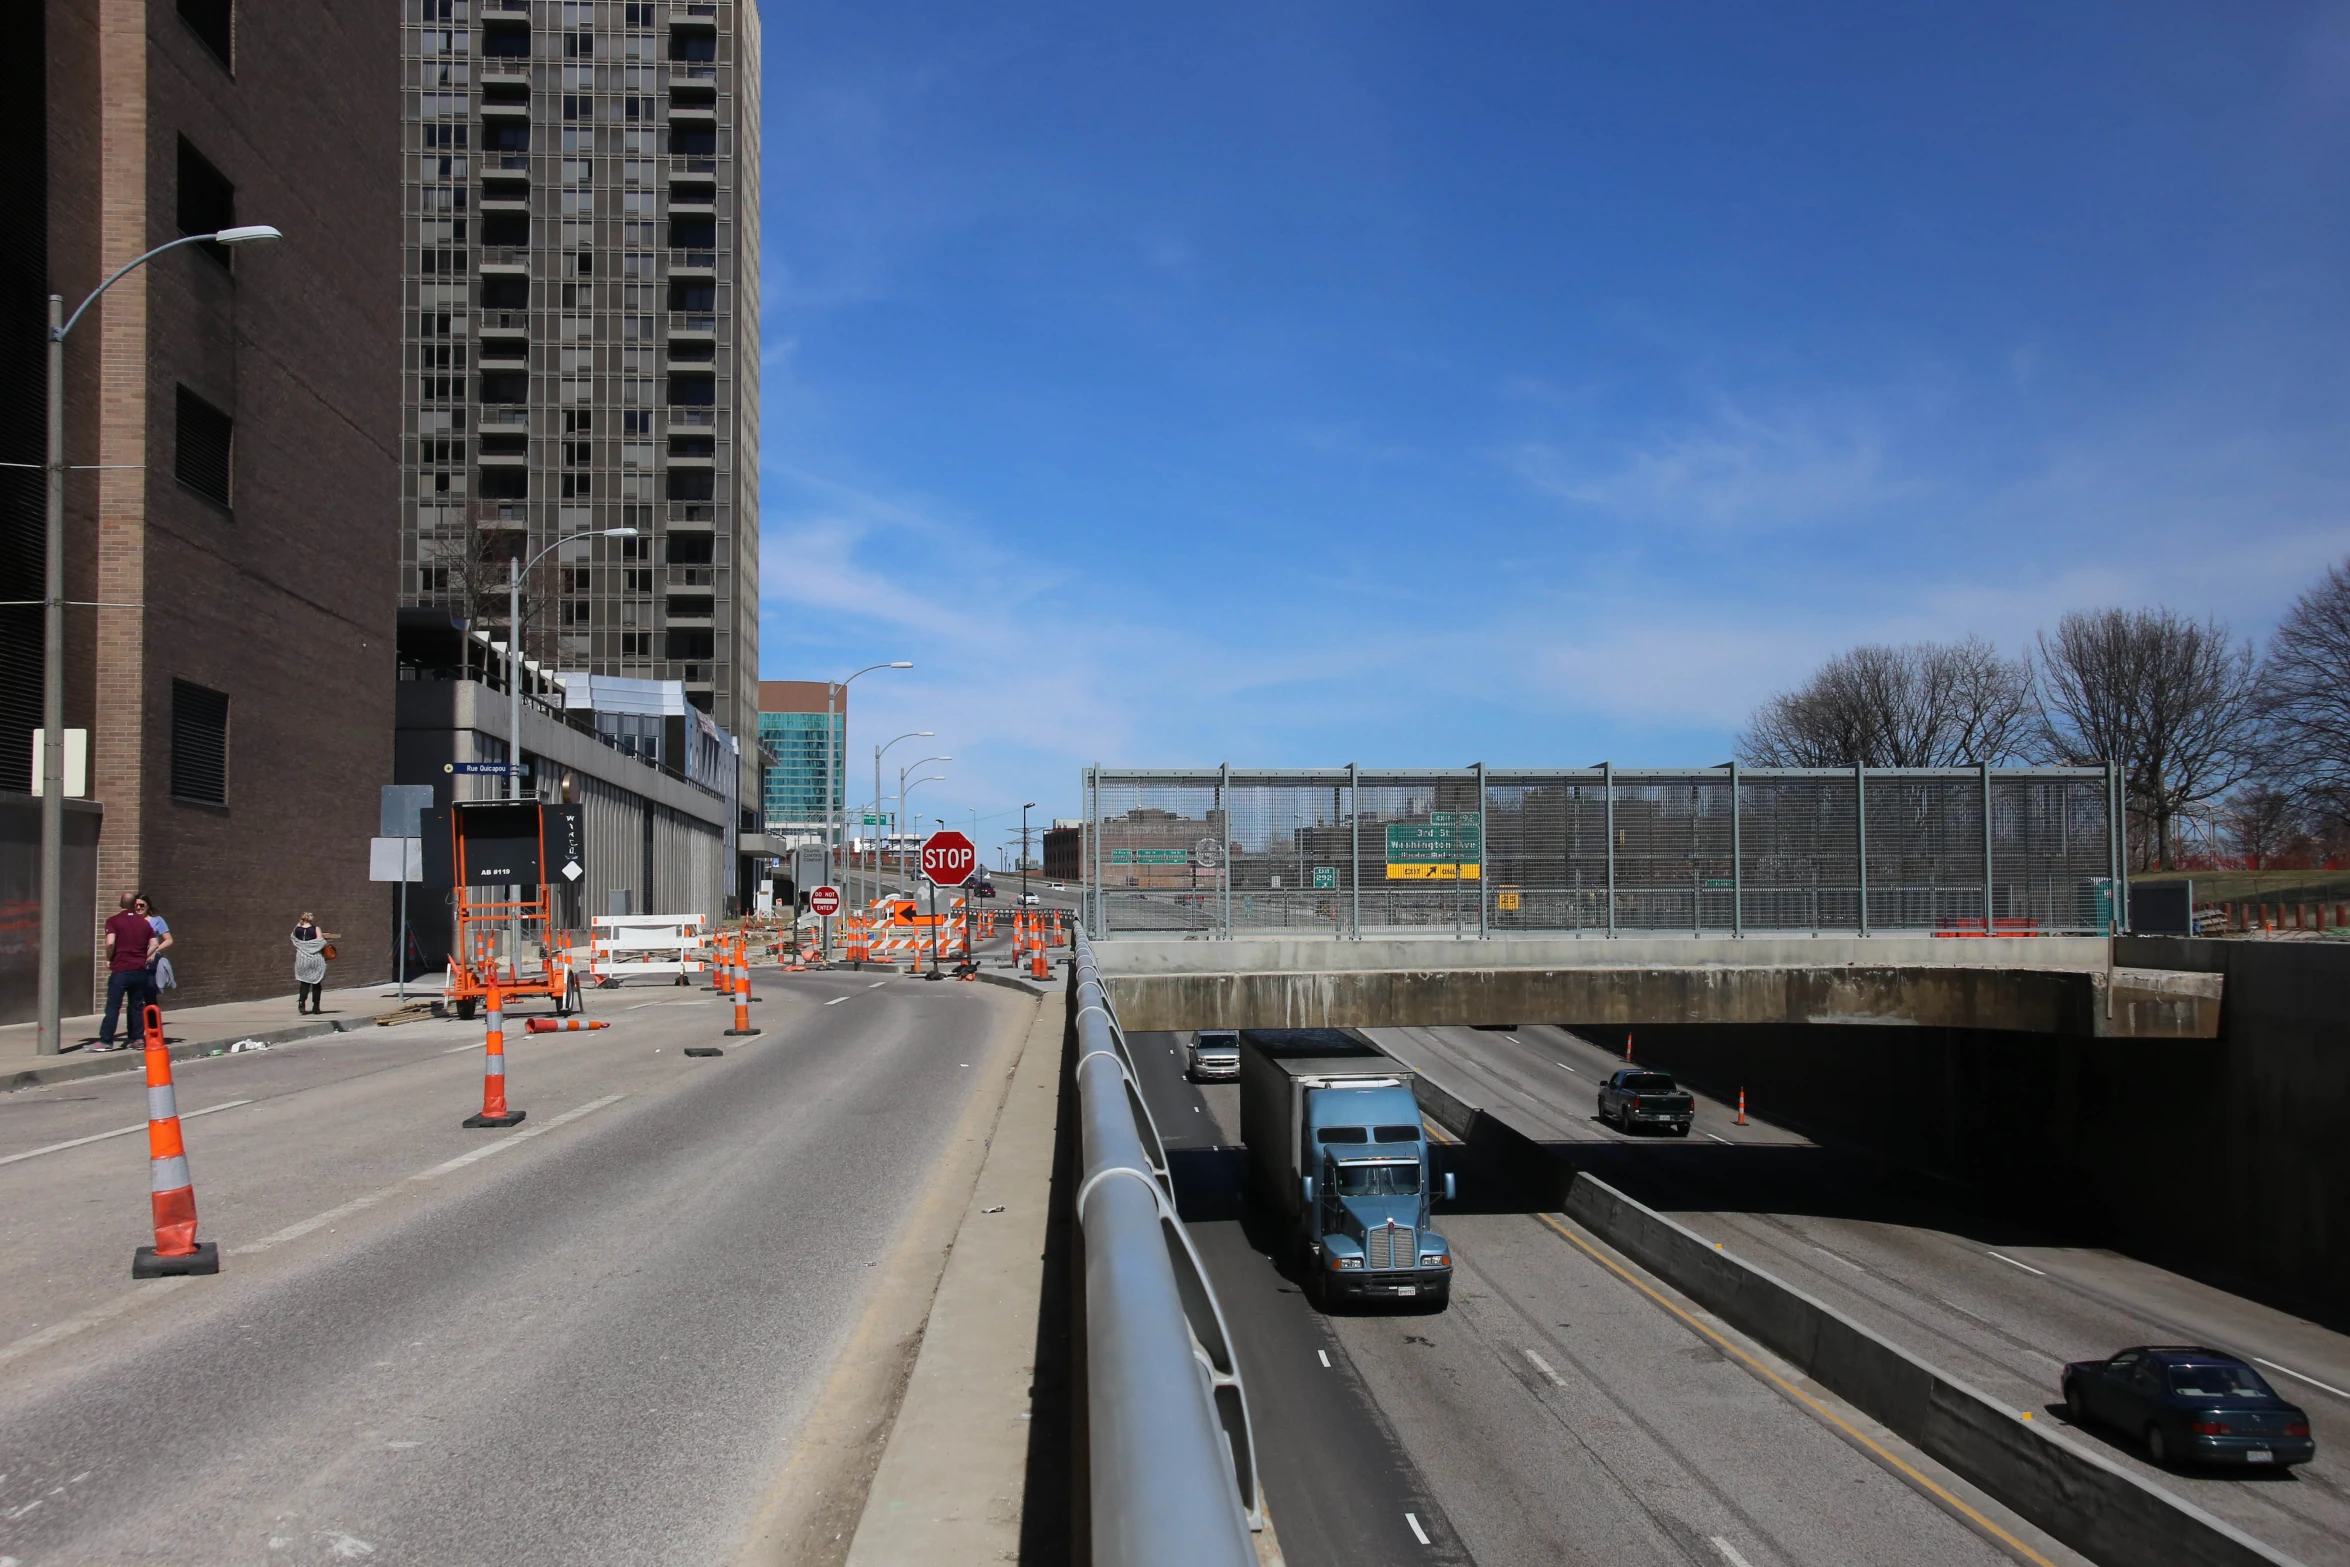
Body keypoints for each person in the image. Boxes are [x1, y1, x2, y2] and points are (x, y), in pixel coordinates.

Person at [97, 891, 160, 1050]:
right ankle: (137, 1039)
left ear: (120, 904)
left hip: (121, 969)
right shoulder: (144, 924)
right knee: (136, 1005)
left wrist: (110, 958)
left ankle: (106, 1040)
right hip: (139, 970)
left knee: (113, 1006)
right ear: (134, 905)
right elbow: (154, 944)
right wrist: (142, 956)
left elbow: (110, 943)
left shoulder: (113, 921)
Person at [291, 912, 340, 1014]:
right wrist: (325, 938)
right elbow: (320, 942)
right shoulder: (315, 929)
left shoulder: (297, 930)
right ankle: (316, 1006)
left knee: (304, 982)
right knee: (316, 983)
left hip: (302, 959)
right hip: (315, 959)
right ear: (311, 920)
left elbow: (293, 938)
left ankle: (301, 1002)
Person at [136, 894, 176, 997]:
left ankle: (152, 1011)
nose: (139, 908)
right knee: (136, 993)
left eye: (142, 905)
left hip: (151, 961)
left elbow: (169, 940)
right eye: (136, 905)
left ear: (148, 906)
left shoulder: (157, 920)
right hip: (135, 960)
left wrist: (154, 950)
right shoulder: (132, 920)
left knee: (150, 988)